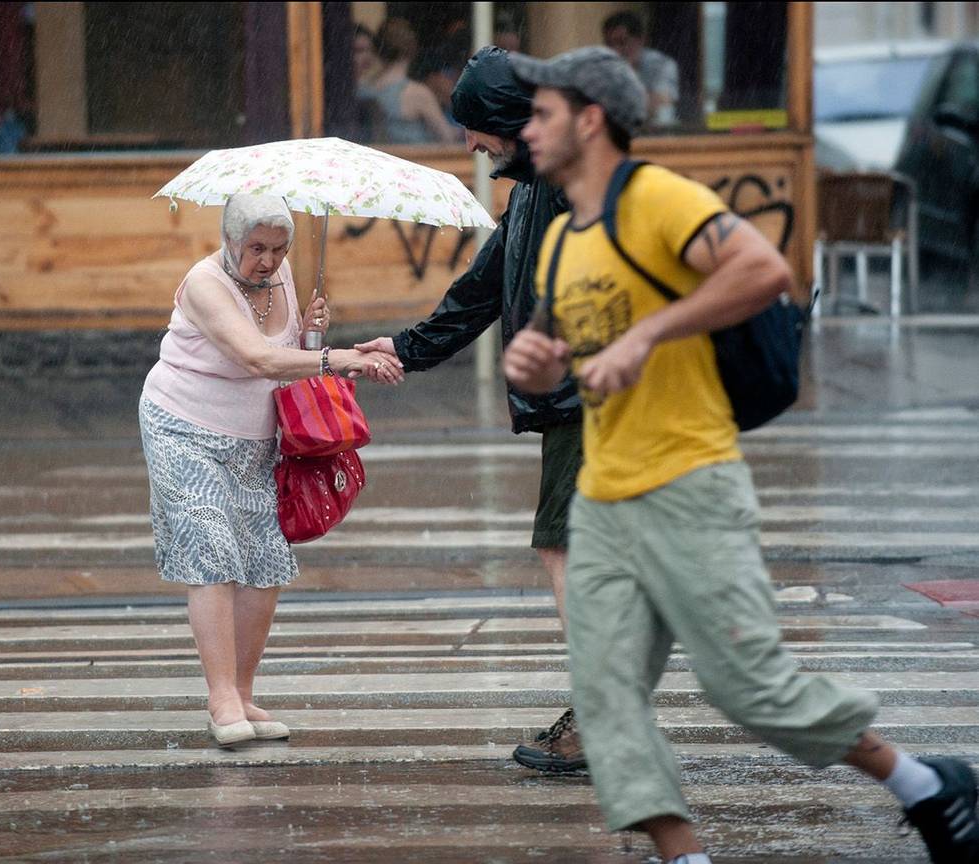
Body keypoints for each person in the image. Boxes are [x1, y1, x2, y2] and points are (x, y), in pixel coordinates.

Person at [502, 46, 979, 864]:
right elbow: (558, 339)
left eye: (542, 112)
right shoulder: (560, 238)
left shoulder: (655, 198)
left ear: (590, 119)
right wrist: (539, 361)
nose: (527, 129)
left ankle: (924, 784)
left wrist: (651, 332)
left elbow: (764, 269)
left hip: (689, 483)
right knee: (606, 697)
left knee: (747, 686)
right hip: (606, 498)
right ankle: (685, 857)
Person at [354, 45, 586, 775]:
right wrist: (403, 347)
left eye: (475, 128)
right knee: (592, 555)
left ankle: (603, 716)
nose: (469, 144)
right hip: (575, 401)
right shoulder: (530, 193)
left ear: (509, 121)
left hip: (594, 402)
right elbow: (480, 293)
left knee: (568, 549)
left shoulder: (570, 186)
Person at [139, 194, 403, 748]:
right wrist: (340, 358)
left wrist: (309, 332)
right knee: (211, 550)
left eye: (279, 248)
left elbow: (283, 352)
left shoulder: (282, 275)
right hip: (183, 426)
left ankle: (244, 690)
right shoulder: (205, 283)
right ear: (230, 240)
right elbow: (257, 359)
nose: (269, 260)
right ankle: (221, 701)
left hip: (258, 437)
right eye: (256, 248)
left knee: (264, 556)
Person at [357, 19, 461, 145]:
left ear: (378, 49)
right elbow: (448, 138)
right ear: (412, 49)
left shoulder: (363, 89)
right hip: (412, 161)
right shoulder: (417, 93)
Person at [602, 11, 678, 127]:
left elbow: (661, 103)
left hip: (658, 134)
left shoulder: (661, 64)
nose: (615, 50)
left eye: (622, 42)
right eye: (609, 44)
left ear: (640, 40)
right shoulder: (602, 65)